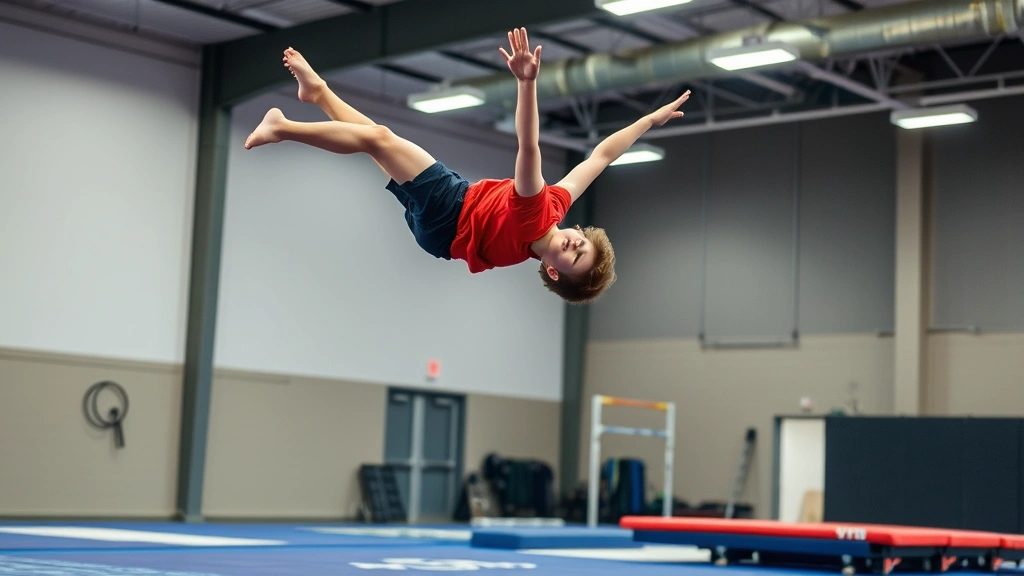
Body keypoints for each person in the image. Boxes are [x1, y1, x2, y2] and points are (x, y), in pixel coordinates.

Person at [244, 28, 690, 304]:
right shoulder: (556, 204)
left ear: (554, 269)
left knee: (379, 139)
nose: (573, 243)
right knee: (379, 143)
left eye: (572, 256)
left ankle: (282, 127)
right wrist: (649, 119)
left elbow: (529, 146)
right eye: (582, 242)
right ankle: (318, 93)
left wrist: (527, 84)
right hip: (448, 229)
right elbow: (602, 156)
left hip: (450, 210)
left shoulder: (536, 214)